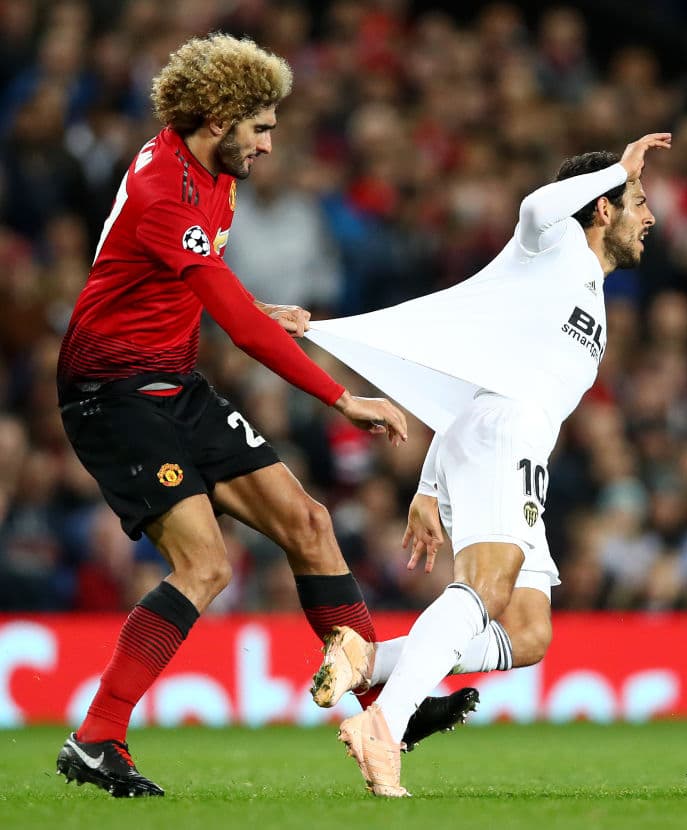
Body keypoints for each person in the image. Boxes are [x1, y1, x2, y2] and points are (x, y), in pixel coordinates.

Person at [54, 34, 475, 799]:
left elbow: (202, 286)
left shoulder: (213, 175)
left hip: (172, 380)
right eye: (262, 127)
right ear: (218, 118)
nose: (270, 144)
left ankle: (385, 711)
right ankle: (97, 739)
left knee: (309, 522)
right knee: (207, 565)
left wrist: (243, 304)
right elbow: (238, 332)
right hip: (110, 392)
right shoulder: (161, 190)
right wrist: (340, 396)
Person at [308, 132, 671, 796]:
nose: (650, 216)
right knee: (488, 585)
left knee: (528, 632)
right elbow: (535, 208)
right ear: (601, 208)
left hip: (510, 440)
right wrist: (617, 168)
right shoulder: (554, 247)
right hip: (505, 433)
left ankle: (366, 664)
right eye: (638, 201)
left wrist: (427, 483)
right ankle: (384, 726)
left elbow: (476, 383)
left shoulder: (588, 293)